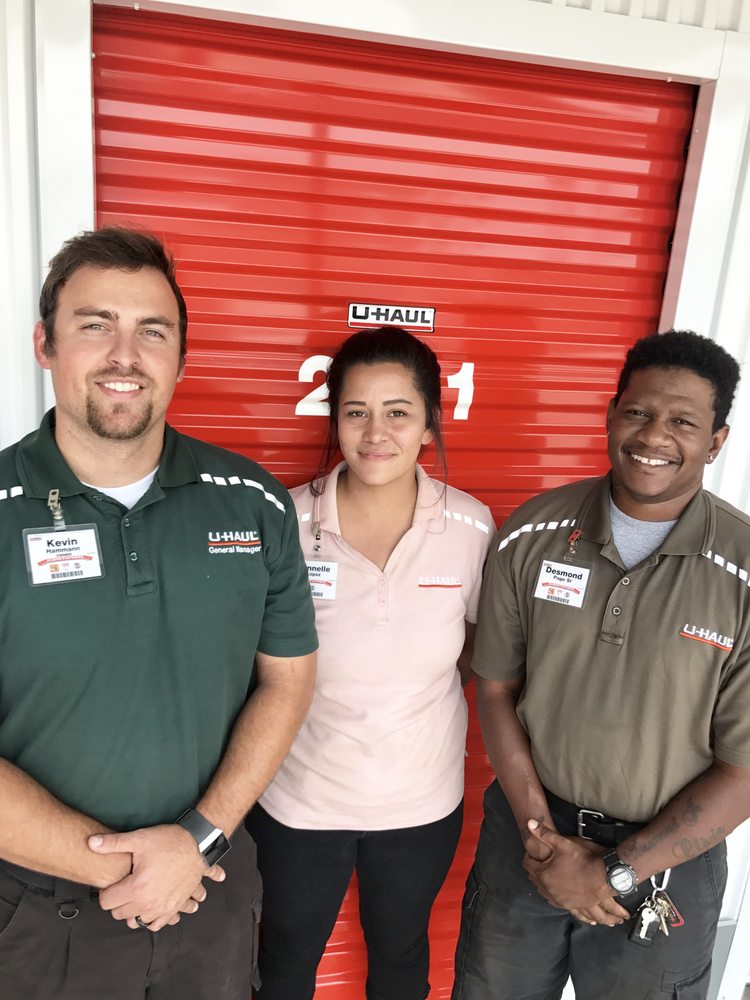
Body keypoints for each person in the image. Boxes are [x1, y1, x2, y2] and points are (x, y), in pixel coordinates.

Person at [0, 226, 318, 1000]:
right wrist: (134, 866)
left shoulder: (254, 503)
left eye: (152, 331)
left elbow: (286, 682)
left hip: (208, 893)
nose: (124, 355)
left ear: (180, 356)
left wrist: (196, 841)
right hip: (35, 912)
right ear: (45, 345)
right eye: (95, 325)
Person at [452, 329, 750, 1000]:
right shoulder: (531, 533)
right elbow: (495, 689)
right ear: (611, 414)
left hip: (668, 868)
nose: (654, 435)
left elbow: (743, 772)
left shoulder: (743, 573)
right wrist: (539, 838)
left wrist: (615, 871)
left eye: (683, 422)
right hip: (527, 841)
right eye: (638, 411)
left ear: (716, 441)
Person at [245, 326, 494, 1000]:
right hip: (298, 800)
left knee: (401, 953)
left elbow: (473, 647)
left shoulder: (471, 527)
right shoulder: (287, 519)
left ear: (429, 425)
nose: (375, 432)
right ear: (335, 420)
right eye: (356, 411)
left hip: (420, 802)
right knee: (285, 958)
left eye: (398, 412)